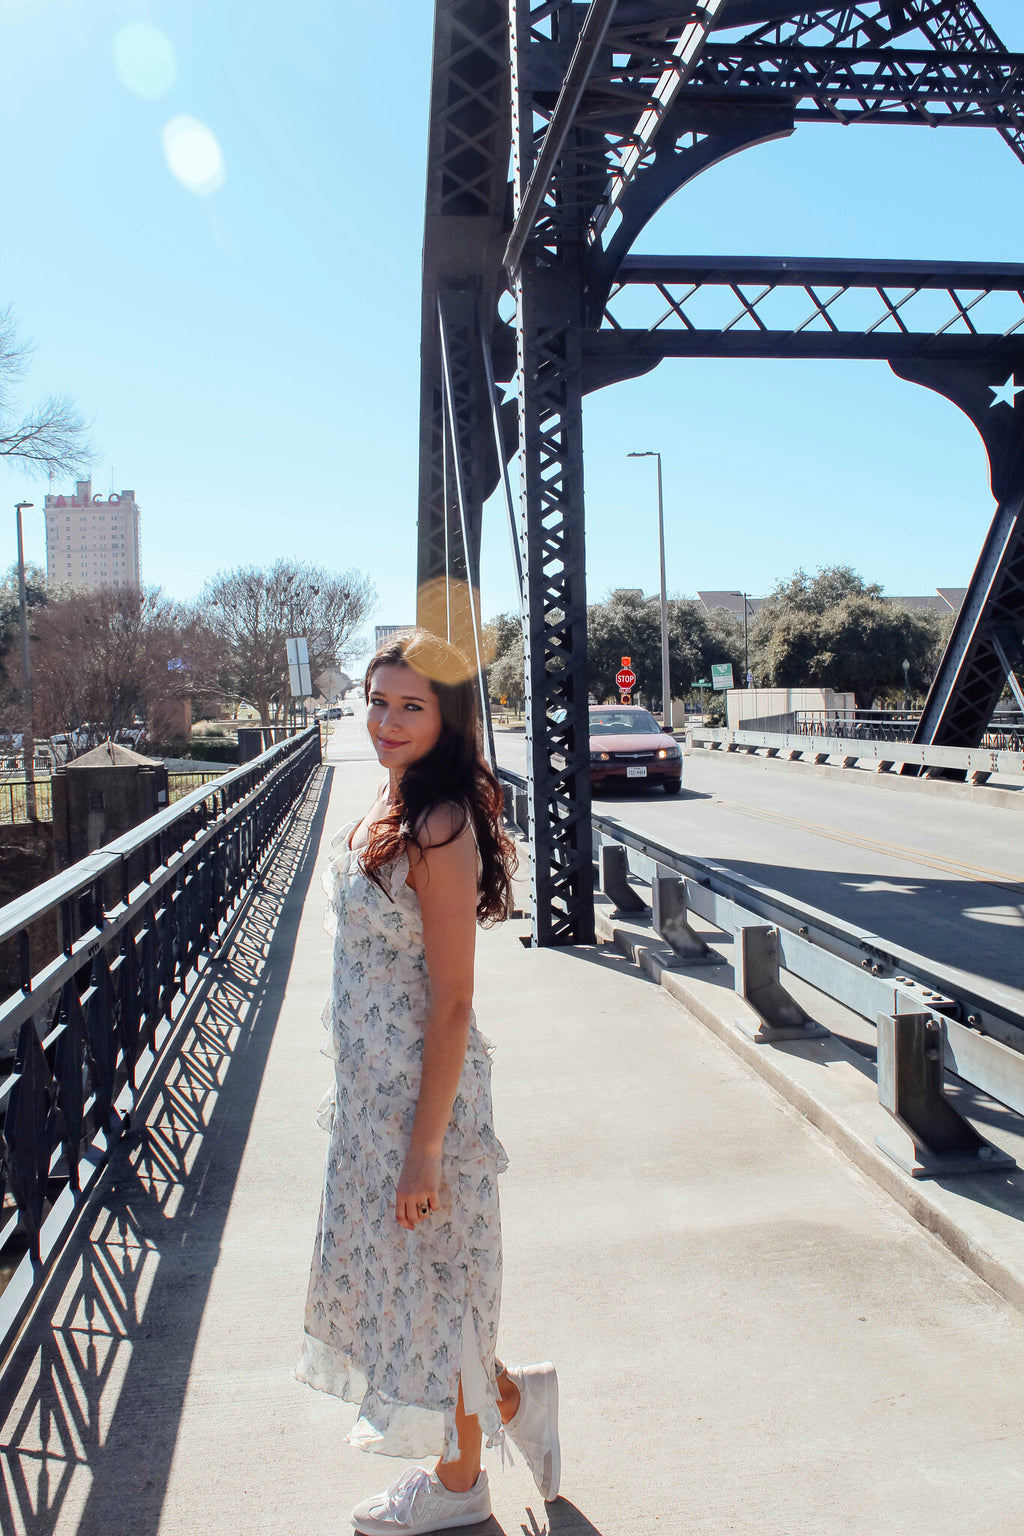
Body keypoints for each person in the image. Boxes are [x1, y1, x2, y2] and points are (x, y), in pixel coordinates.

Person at [295, 628, 560, 1536]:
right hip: (372, 1099)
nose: (387, 719)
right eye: (377, 699)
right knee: (413, 1280)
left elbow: (453, 1002)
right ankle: (516, 1404)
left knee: (439, 1281)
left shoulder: (441, 822)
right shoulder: (391, 801)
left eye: (412, 705)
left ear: (448, 717)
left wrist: (426, 1147)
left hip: (422, 1098)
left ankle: (459, 1486)